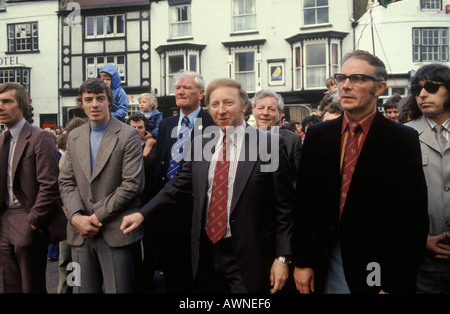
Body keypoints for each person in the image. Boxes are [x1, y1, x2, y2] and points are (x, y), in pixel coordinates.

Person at [121, 78, 296, 294]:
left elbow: (284, 207)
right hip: (205, 254)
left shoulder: (268, 144)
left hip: (249, 255)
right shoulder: (201, 143)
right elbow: (177, 186)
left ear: (244, 106)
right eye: (215, 104)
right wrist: (142, 215)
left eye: (228, 103)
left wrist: (283, 257)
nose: (221, 110)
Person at [293, 50, 429, 294]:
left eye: (356, 78)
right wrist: (302, 261)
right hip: (325, 259)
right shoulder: (318, 135)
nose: (345, 86)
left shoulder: (403, 139)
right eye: (341, 78)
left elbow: (412, 219)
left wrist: (392, 282)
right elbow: (304, 204)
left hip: (376, 263)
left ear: (379, 88)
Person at [58, 78, 145, 293]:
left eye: (100, 98)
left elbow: (132, 183)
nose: (94, 104)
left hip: (116, 231)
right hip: (80, 234)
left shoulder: (128, 135)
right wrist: (76, 217)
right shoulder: (74, 137)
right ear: (82, 103)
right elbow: (66, 182)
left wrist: (96, 217)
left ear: (109, 102)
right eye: (88, 99)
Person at [146, 70, 216, 293]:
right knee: (172, 269)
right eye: (177, 88)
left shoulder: (212, 122)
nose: (180, 92)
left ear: (201, 93)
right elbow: (161, 164)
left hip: (197, 207)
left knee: (197, 270)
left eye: (186, 87)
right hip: (167, 207)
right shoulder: (167, 124)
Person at [0, 82, 66, 293]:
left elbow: (50, 184)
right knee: (10, 285)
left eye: (6, 102)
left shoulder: (40, 137)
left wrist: (33, 223)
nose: (0, 107)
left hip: (28, 217)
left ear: (22, 105)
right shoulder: (2, 139)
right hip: (4, 220)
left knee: (31, 286)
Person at [404, 64, 450, 294]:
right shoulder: (403, 136)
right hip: (422, 263)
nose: (422, 94)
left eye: (431, 87)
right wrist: (419, 240)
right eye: (417, 89)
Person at [125, 112, 158, 292]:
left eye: (140, 127)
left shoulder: (154, 145)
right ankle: (135, 279)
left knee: (150, 243)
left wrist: (150, 145)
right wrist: (146, 149)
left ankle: (147, 281)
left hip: (149, 200)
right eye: (133, 127)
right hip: (130, 202)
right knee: (132, 244)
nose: (136, 131)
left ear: (146, 130)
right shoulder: (124, 146)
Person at [56, 117, 86, 294]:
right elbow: (63, 186)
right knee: (68, 261)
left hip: (85, 216)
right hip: (69, 217)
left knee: (72, 261)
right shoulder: (66, 157)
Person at [252, 89, 302, 187]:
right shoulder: (244, 139)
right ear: (253, 111)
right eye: (261, 108)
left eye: (271, 109)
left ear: (280, 114)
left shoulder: (292, 140)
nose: (265, 113)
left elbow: (299, 177)